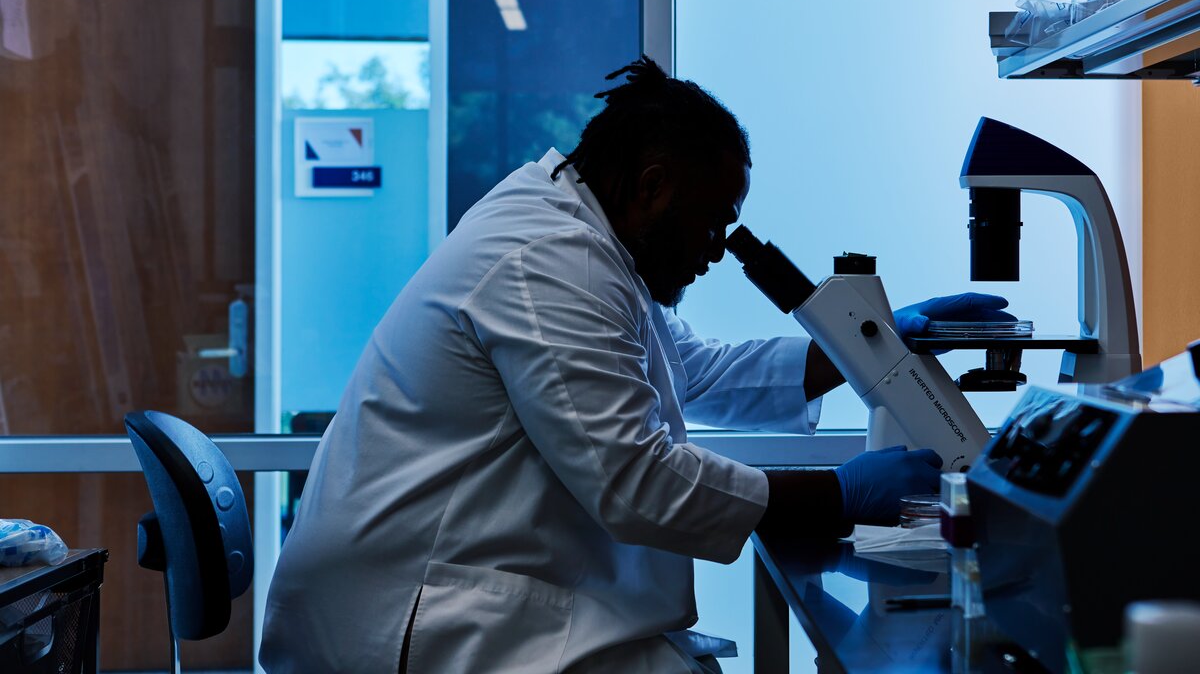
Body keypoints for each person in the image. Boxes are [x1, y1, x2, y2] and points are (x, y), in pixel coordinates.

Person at [259, 57, 1010, 673]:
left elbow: (699, 371)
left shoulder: (579, 238)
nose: (718, 249)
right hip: (414, 619)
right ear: (653, 187)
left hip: (459, 592)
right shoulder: (551, 260)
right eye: (713, 223)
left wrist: (872, 343)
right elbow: (636, 482)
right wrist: (837, 495)